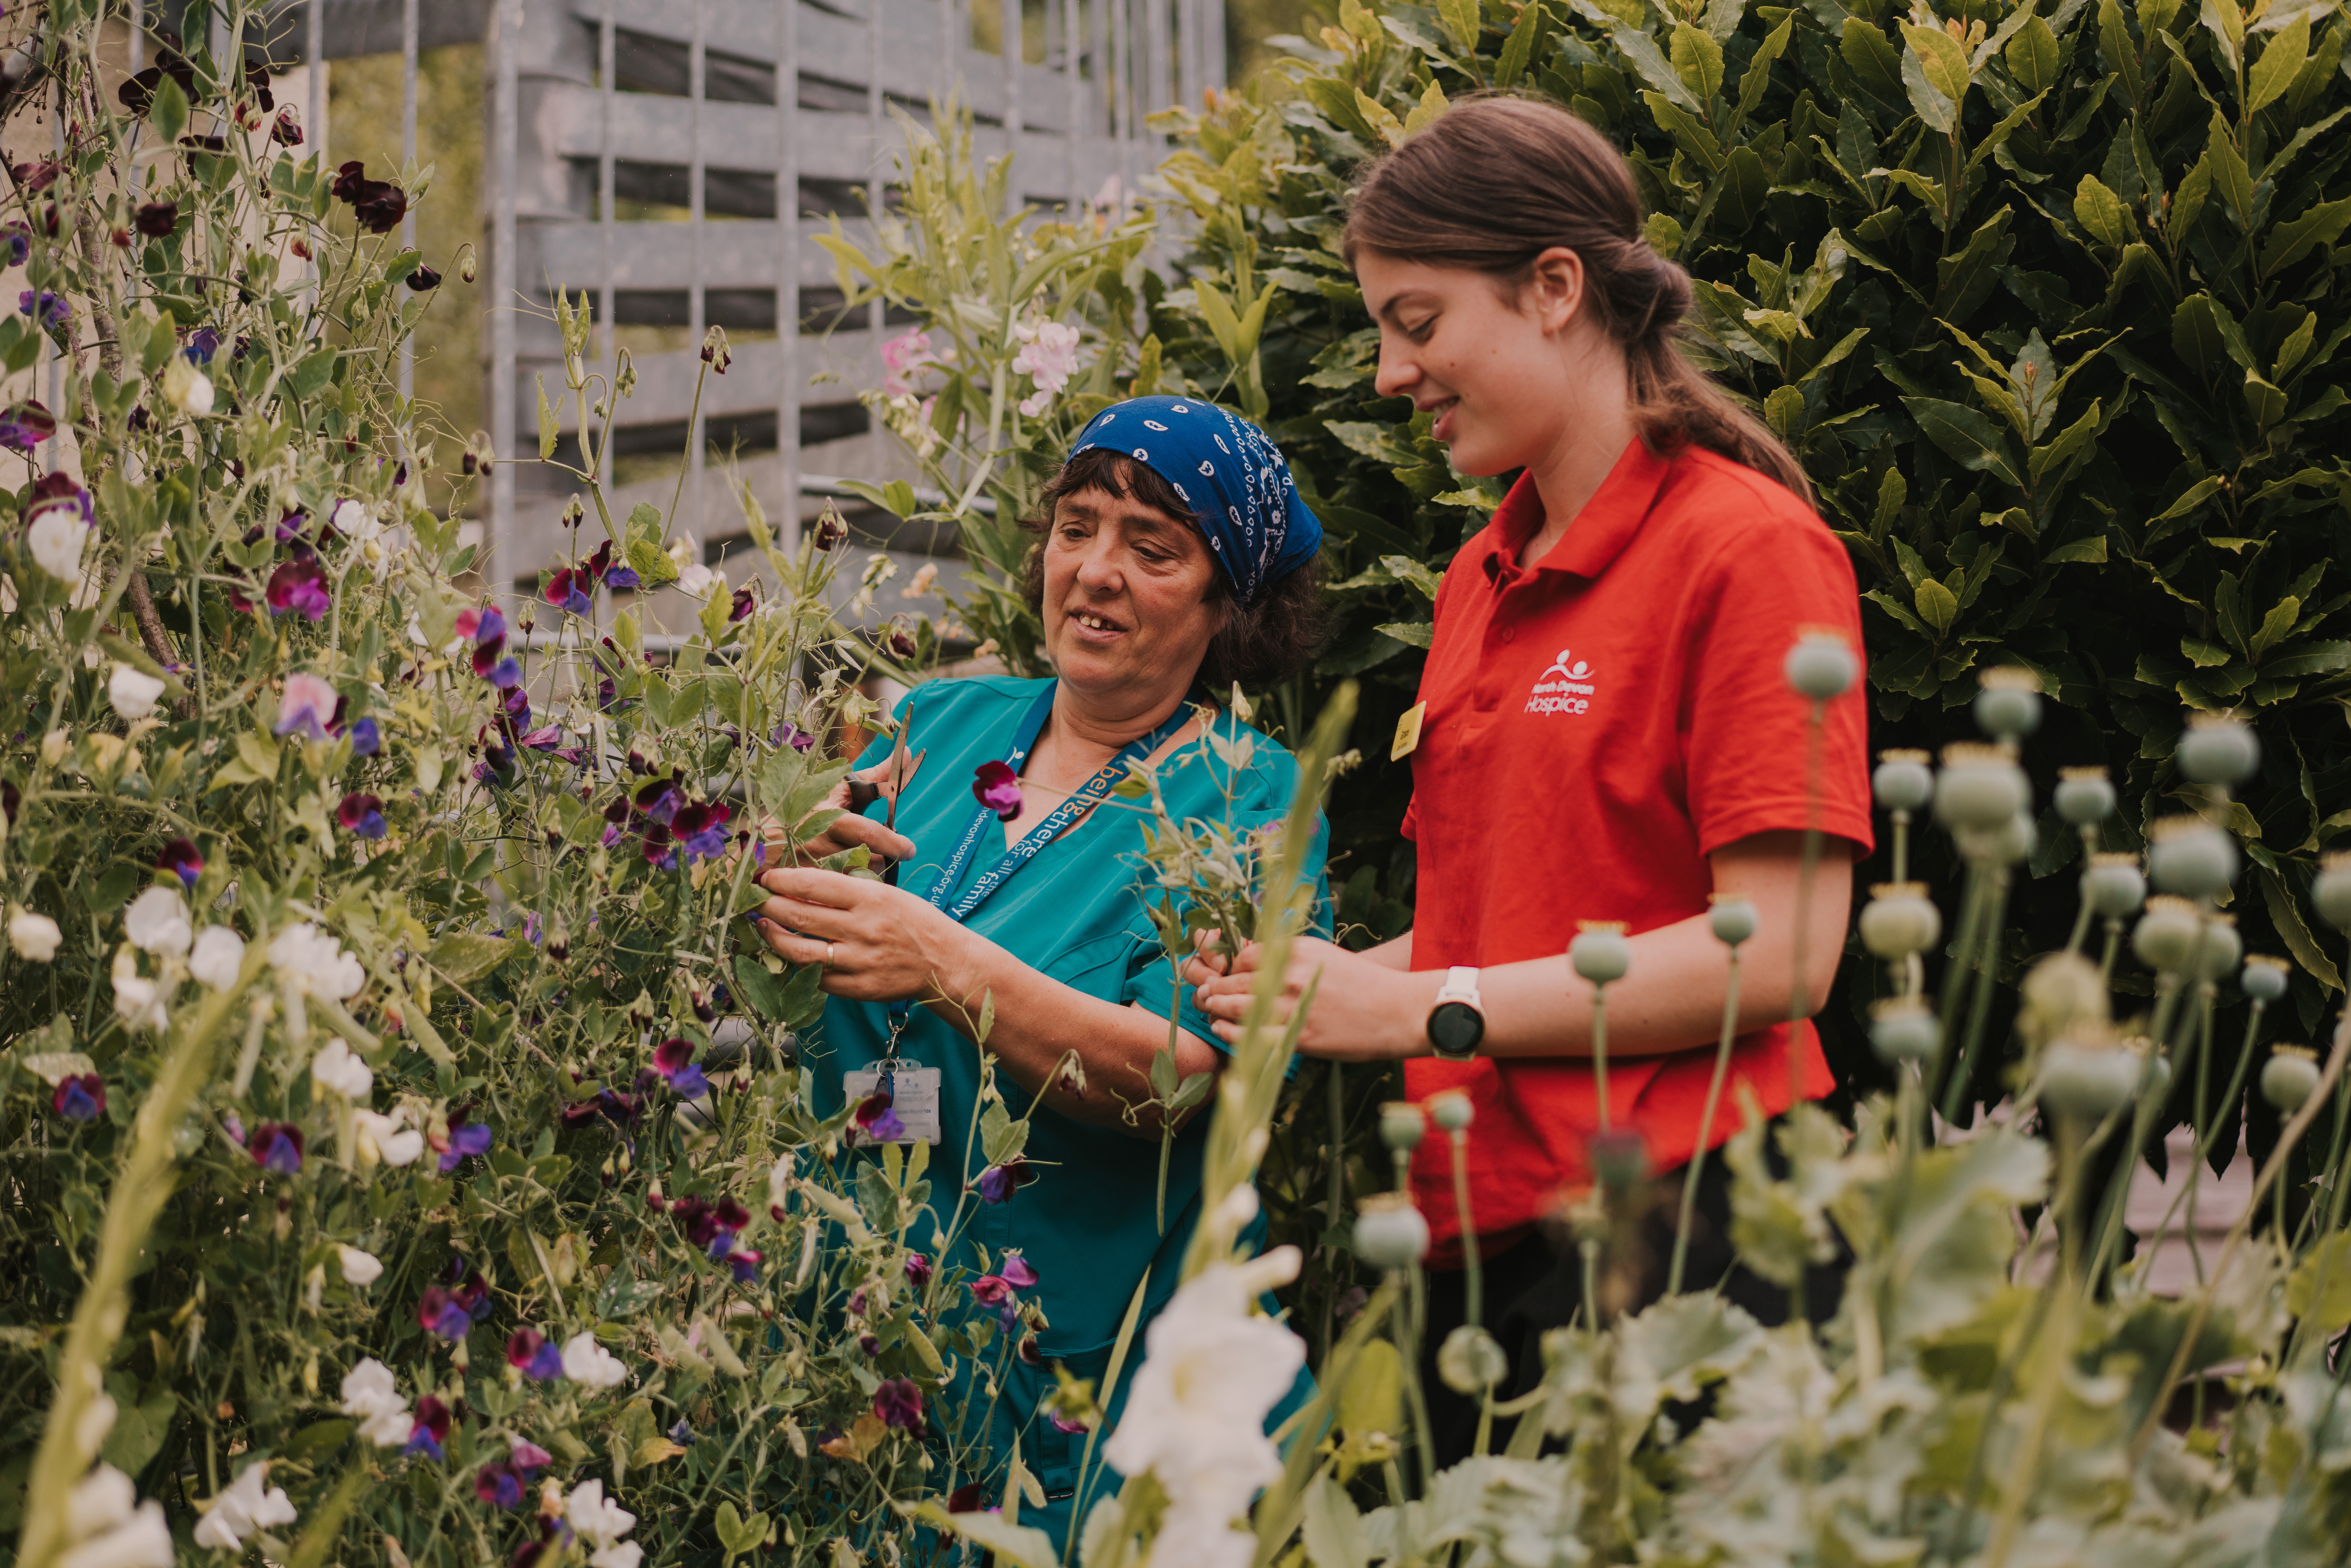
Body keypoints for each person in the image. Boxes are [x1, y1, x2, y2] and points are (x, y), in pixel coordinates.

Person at [1184, 97, 1873, 1464]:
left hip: (1697, 1225)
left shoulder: (1747, 554)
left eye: (1418, 320)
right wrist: (1313, 985)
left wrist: (1418, 1008)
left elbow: (1785, 955)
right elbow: (1504, 935)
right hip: (1479, 1241)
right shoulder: (1477, 580)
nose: (1389, 371)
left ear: (1554, 287)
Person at [750, 395, 1331, 1547]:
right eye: (1076, 528)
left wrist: (939, 959)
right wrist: (775, 869)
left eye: (1151, 549)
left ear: (1227, 610)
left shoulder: (1246, 796)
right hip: (862, 1339)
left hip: (1084, 1377)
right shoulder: (937, 724)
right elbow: (787, 935)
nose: (1096, 572)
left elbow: (1174, 1075)